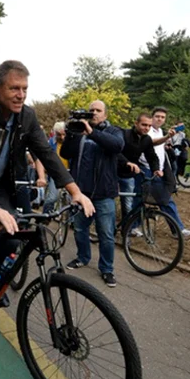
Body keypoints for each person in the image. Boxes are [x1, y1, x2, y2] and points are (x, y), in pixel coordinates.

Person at [0, 60, 93, 305]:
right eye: (14, 88)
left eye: (24, 89)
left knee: (14, 234)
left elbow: (46, 153)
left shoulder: (27, 116)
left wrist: (75, 191)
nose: (21, 95)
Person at [60, 100, 124, 287]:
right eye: (91, 110)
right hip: (82, 193)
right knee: (80, 229)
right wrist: (71, 134)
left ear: (105, 114)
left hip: (104, 194)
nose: (94, 113)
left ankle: (107, 269)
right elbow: (65, 153)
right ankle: (83, 257)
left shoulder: (113, 131)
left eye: (98, 110)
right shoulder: (79, 132)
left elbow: (117, 146)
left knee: (106, 234)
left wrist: (92, 132)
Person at [140, 107, 190, 237]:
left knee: (148, 200)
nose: (160, 119)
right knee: (165, 199)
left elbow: (159, 148)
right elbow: (151, 143)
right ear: (152, 117)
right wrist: (166, 137)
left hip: (160, 169)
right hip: (147, 169)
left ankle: (132, 227)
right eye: (157, 116)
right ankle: (177, 229)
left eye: (163, 117)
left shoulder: (160, 131)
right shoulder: (147, 130)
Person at [117, 113, 161, 222]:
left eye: (149, 126)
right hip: (113, 172)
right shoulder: (124, 134)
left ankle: (126, 231)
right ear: (136, 123)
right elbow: (115, 151)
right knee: (105, 203)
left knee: (128, 205)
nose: (147, 128)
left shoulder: (147, 140)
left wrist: (156, 169)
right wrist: (126, 162)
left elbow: (152, 156)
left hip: (128, 175)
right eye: (144, 125)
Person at [41, 121, 68, 214]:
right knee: (52, 198)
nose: (62, 137)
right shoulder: (51, 142)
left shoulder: (71, 141)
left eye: (64, 134)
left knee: (71, 199)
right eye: (59, 135)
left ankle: (72, 220)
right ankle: (45, 215)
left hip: (70, 172)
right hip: (56, 172)